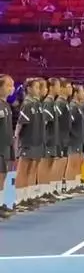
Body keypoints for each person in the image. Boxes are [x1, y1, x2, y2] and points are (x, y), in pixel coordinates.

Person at [14, 78, 45, 211]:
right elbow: (20, 124)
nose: (39, 90)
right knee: (23, 170)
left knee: (32, 169)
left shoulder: (37, 103)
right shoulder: (27, 104)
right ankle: (19, 199)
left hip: (37, 140)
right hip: (27, 141)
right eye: (37, 87)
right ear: (29, 89)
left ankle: (29, 196)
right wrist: (16, 140)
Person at [66, 84, 84, 194]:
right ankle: (69, 187)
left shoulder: (78, 107)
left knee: (78, 163)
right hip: (73, 139)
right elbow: (69, 124)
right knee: (72, 163)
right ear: (76, 93)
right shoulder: (72, 107)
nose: (83, 94)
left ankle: (75, 184)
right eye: (81, 92)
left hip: (79, 139)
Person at [0, 75, 14, 219]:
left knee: (3, 176)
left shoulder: (6, 105)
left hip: (5, 145)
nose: (11, 88)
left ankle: (1, 203)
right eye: (8, 85)